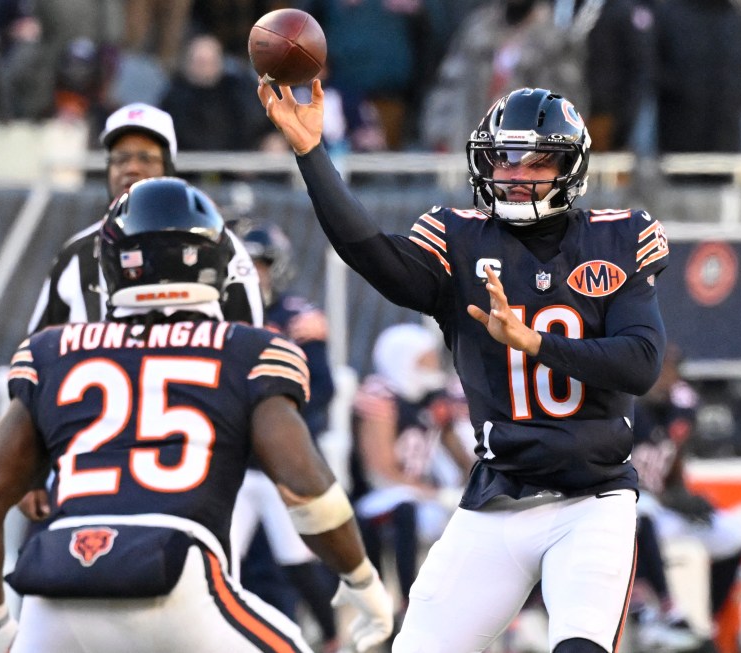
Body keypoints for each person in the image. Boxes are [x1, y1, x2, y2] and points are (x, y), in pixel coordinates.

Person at [259, 83, 670, 652]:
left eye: (537, 161)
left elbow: (641, 363)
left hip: (593, 502)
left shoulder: (617, 237)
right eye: (504, 159)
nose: (516, 174)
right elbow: (371, 253)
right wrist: (311, 153)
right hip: (498, 500)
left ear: (569, 168)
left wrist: (535, 342)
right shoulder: (460, 238)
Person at [0, 177, 393, 653]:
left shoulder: (51, 350)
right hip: (176, 577)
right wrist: (361, 578)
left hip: (54, 587)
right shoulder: (247, 349)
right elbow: (305, 486)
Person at [21, 102, 264, 520]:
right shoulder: (76, 255)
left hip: (191, 455)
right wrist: (30, 467)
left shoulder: (218, 247)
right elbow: (36, 364)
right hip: (90, 457)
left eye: (145, 158)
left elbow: (249, 351)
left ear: (169, 166)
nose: (130, 168)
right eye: (120, 158)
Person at [232, 219, 340, 650]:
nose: (254, 275)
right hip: (237, 464)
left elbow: (323, 386)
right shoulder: (225, 316)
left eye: (261, 265)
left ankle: (332, 637)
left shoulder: (296, 315)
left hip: (283, 462)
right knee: (218, 561)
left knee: (298, 562)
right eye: (247, 266)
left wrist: (275, 421)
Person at [349, 323, 475, 618]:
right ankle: (408, 604)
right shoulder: (380, 395)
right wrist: (436, 494)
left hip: (419, 494)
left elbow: (460, 454)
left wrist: (477, 481)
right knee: (406, 509)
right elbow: (381, 472)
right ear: (401, 359)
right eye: (424, 360)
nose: (432, 366)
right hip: (377, 498)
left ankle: (473, 607)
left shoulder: (434, 397)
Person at [633, 342, 741, 640]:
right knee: (641, 509)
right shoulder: (623, 408)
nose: (665, 377)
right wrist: (668, 498)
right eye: (659, 370)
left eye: (671, 370)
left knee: (735, 534)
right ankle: (662, 609)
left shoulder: (678, 407)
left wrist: (680, 496)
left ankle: (707, 618)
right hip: (625, 507)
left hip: (661, 509)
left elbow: (674, 461)